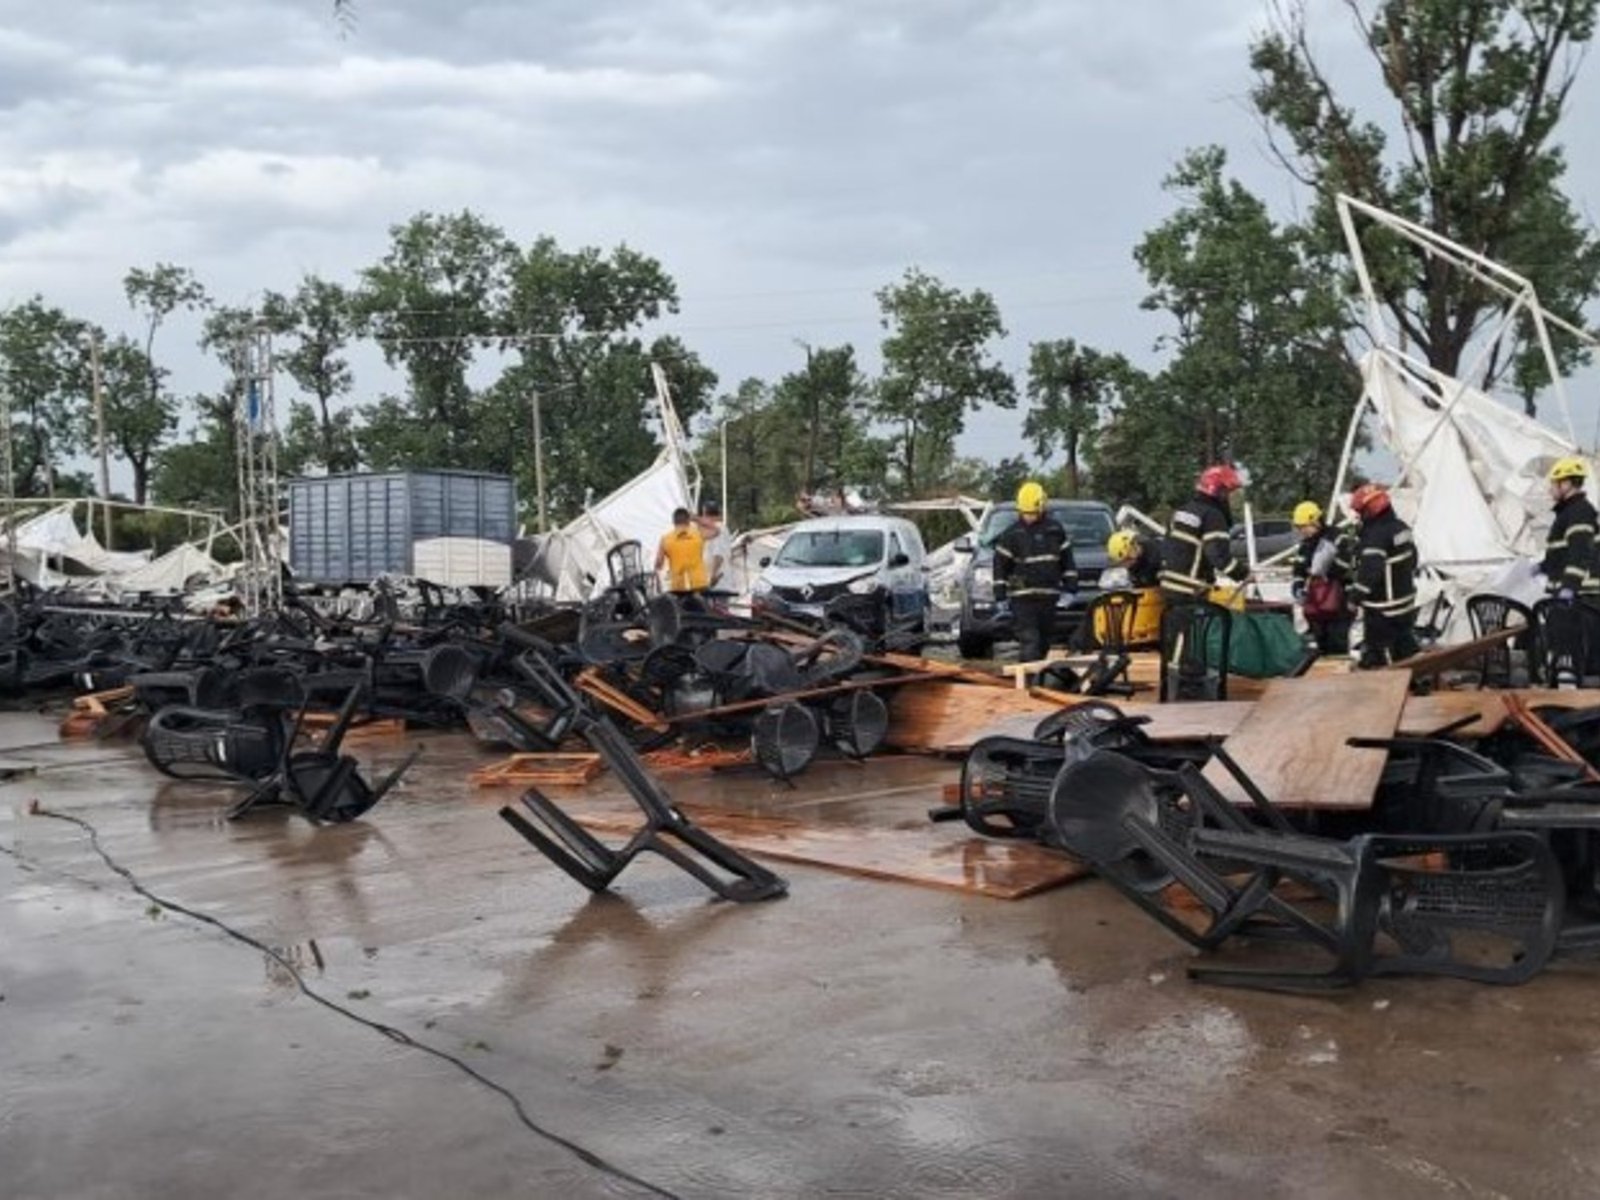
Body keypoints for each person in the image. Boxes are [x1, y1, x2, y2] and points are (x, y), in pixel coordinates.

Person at [993, 480, 1077, 666]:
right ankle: (1029, 684)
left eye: (1032, 513)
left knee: (1045, 642)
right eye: (1025, 513)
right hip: (1023, 599)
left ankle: (1036, 678)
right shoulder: (1011, 535)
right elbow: (1000, 567)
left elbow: (1067, 562)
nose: (1029, 517)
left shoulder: (1055, 530)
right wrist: (1000, 595)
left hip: (1049, 597)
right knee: (1030, 642)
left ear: (1042, 507)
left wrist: (1071, 589)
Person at [1539, 457, 1599, 688]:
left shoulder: (1580, 512)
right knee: (1560, 649)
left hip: (1583, 598)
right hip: (1570, 598)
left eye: (1554, 483)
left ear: (1566, 485)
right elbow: (1560, 555)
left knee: (1573, 655)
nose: (1550, 489)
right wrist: (1540, 567)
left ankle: (1571, 697)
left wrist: (1569, 587)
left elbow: (1580, 553)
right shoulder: (1566, 514)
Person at [1344, 483, 1418, 668]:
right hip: (1405, 603)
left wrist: (1354, 598)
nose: (1359, 517)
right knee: (1405, 649)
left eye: (1361, 512)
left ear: (1371, 509)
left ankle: (1387, 690)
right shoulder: (1401, 528)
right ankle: (1416, 682)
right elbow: (1414, 559)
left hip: (1383, 607)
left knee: (1380, 656)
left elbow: (1370, 571)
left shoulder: (1376, 535)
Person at [1159, 464, 1249, 605]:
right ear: (1218, 491)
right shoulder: (1212, 516)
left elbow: (1167, 547)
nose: (1229, 498)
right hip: (1191, 590)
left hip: (1168, 588)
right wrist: (1243, 573)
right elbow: (1218, 556)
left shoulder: (1181, 511)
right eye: (1228, 493)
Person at [1290, 499, 1351, 655]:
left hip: (1339, 600)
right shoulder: (1305, 546)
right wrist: (1297, 588)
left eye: (1303, 526)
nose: (1302, 531)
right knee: (1320, 641)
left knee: (1337, 641)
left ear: (1315, 521)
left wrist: (1326, 572)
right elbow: (1298, 570)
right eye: (1299, 527)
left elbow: (1348, 562)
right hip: (1316, 604)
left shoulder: (1338, 537)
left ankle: (1339, 674)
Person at [655, 507, 708, 596]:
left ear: (673, 521)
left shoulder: (665, 539)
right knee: (700, 609)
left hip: (678, 586)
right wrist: (696, 519)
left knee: (682, 610)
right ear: (688, 521)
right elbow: (716, 530)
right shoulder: (699, 535)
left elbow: (659, 564)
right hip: (699, 583)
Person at [696, 499, 730, 589]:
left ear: (705, 514)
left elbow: (718, 554)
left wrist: (713, 575)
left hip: (716, 583)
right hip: (711, 581)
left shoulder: (718, 528)